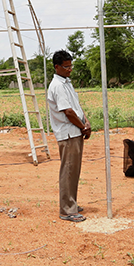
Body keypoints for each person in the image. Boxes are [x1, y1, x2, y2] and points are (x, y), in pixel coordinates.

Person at [46, 50, 91, 222]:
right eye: (66, 67)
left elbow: (76, 107)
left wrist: (85, 123)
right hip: (68, 133)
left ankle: (71, 203)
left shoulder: (66, 83)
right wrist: (83, 127)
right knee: (68, 170)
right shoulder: (57, 86)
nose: (69, 69)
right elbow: (68, 112)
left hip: (76, 131)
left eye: (70, 66)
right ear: (57, 67)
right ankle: (67, 210)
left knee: (74, 170)